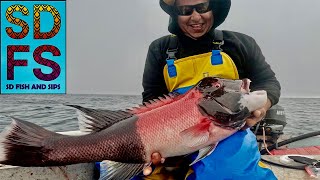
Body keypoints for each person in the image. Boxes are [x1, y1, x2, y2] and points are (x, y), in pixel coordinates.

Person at [137, 0, 281, 179]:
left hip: (229, 135)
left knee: (230, 173)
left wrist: (261, 107)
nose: (196, 17)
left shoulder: (240, 44)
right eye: (185, 10)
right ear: (175, 13)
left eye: (203, 7)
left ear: (214, 7)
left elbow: (268, 82)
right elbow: (151, 100)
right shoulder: (159, 49)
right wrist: (156, 147)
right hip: (174, 137)